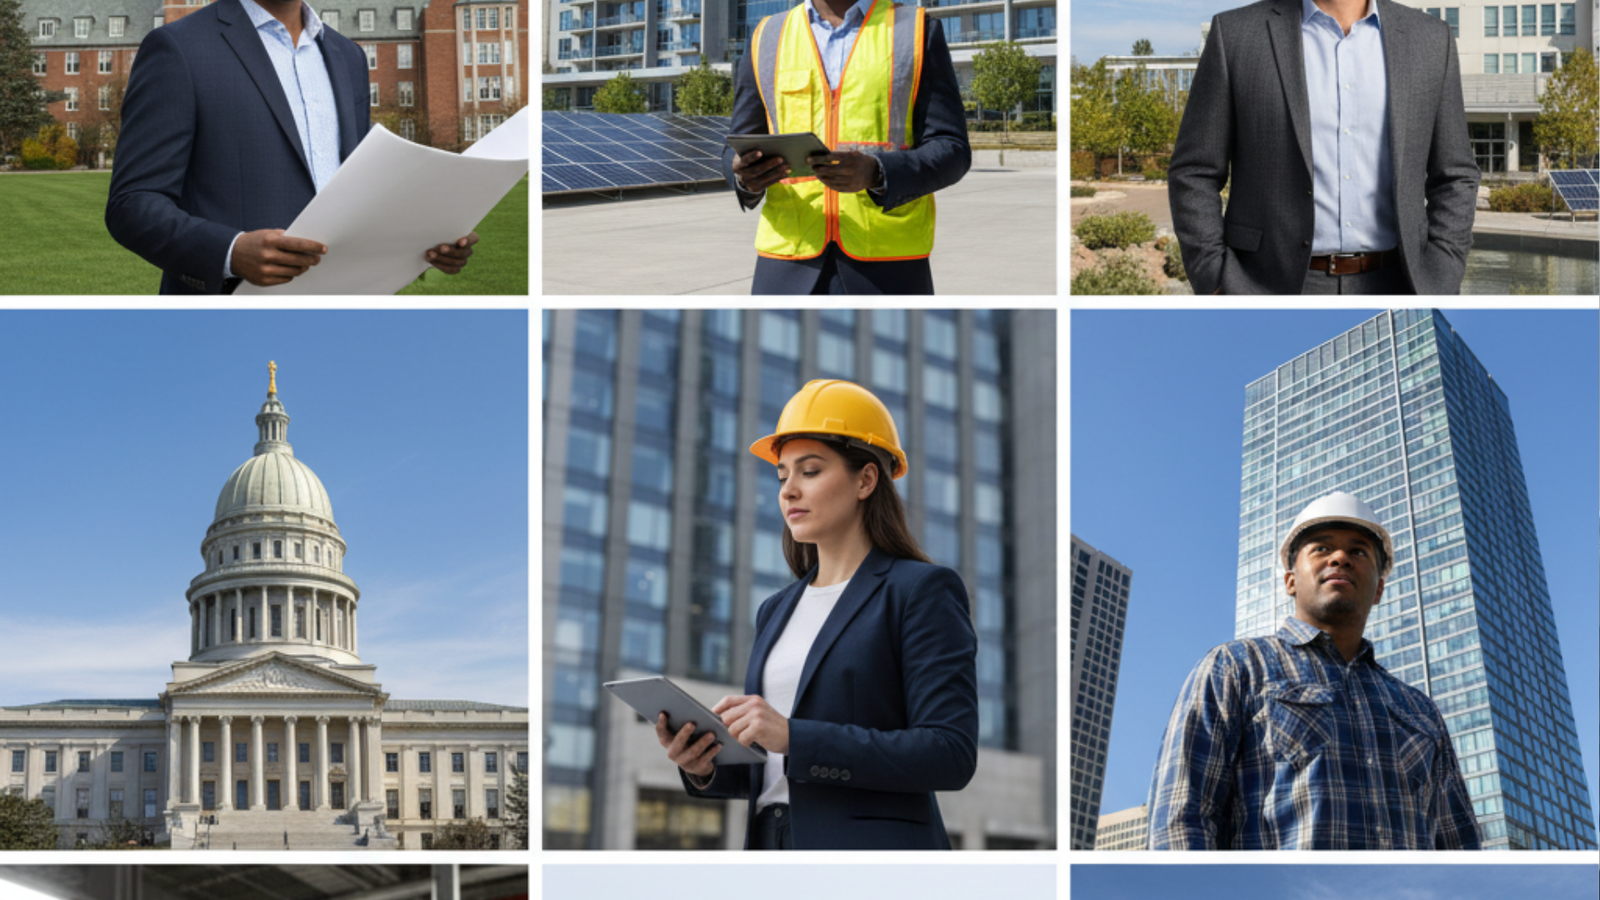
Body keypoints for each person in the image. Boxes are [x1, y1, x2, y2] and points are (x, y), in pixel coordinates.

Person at [654, 379, 978, 849]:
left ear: (866, 480)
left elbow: (950, 753)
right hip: (769, 845)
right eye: (782, 475)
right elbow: (774, 771)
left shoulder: (920, 591)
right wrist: (703, 765)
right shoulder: (775, 611)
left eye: (809, 471)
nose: (788, 491)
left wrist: (794, 736)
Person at [1147, 491, 1481, 849]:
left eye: (1358, 552)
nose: (1340, 558)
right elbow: (1181, 820)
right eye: (1321, 548)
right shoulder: (1235, 668)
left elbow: (1461, 848)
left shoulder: (1420, 710)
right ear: (1291, 581)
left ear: (1380, 589)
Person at [105, 0, 477, 294]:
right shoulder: (180, 47)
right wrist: (230, 251)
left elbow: (360, 187)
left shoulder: (348, 57)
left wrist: (427, 235)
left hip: (344, 305)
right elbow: (132, 203)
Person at [1168, 0, 1479, 295]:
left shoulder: (1431, 39)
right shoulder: (1236, 34)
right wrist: (1217, 282)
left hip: (1401, 282)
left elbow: (1455, 174)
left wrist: (1441, 275)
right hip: (1263, 286)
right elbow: (1194, 171)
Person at [721, 0, 971, 295]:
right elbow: (737, 144)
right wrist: (744, 176)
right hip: (786, 264)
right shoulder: (767, 36)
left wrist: (877, 173)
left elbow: (952, 148)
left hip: (889, 266)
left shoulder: (916, 30)